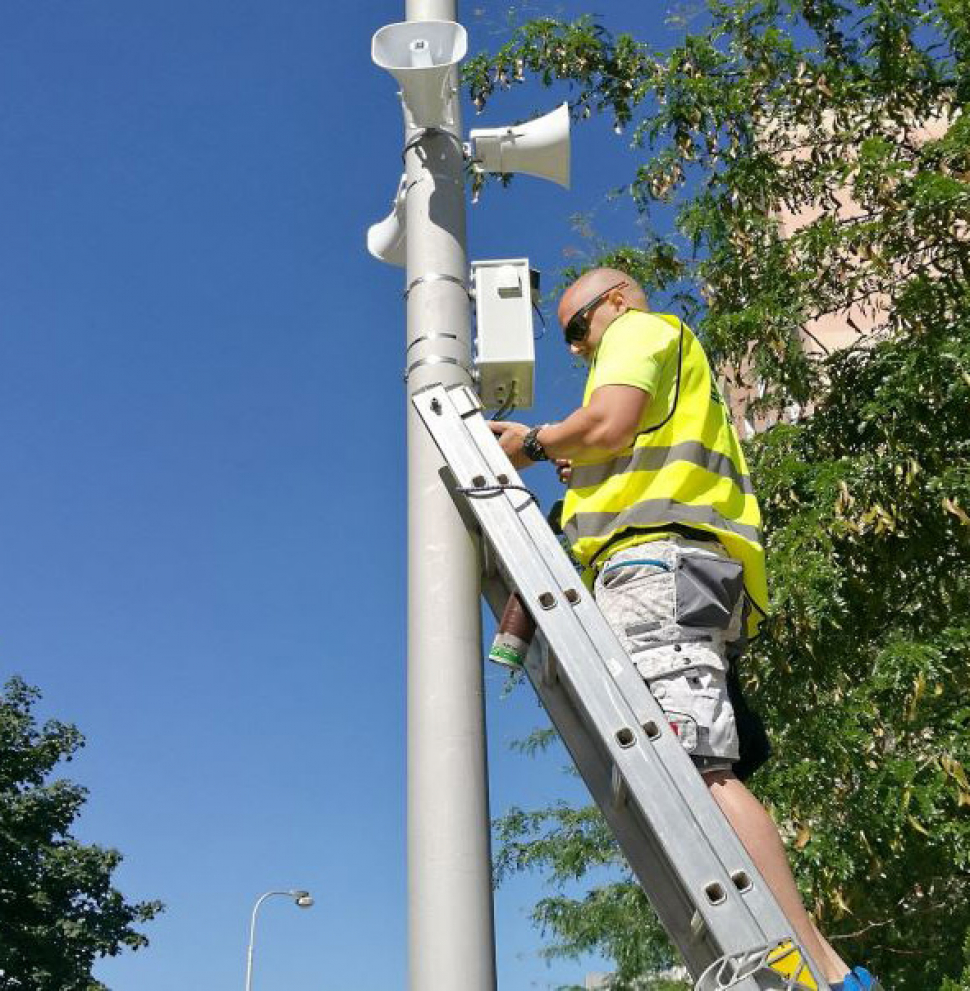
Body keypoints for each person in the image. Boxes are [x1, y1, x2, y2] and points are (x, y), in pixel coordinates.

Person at [489, 267, 881, 991]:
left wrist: (535, 442)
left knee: (696, 769)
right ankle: (822, 965)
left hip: (662, 568)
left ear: (616, 301)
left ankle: (820, 976)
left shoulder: (639, 331)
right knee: (694, 764)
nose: (578, 350)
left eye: (579, 328)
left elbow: (607, 422)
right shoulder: (667, 370)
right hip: (680, 569)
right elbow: (617, 443)